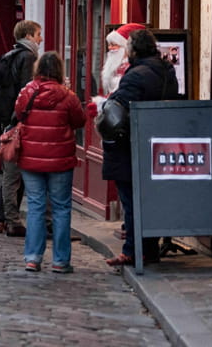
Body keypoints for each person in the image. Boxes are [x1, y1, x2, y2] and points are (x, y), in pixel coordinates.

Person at [97, 28, 177, 267]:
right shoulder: (167, 70)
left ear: (134, 49)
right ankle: (149, 248)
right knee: (151, 198)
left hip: (131, 144)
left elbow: (118, 109)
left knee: (131, 200)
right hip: (159, 141)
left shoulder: (135, 75)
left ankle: (133, 250)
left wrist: (102, 106)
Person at [15, 52, 86, 273]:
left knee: (35, 206)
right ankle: (60, 261)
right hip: (60, 159)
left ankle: (33, 258)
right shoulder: (68, 96)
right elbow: (79, 121)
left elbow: (18, 114)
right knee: (61, 208)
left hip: (31, 158)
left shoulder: (27, 92)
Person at [0, 19, 41, 237]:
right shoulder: (28, 57)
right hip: (18, 122)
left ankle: (3, 219)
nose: (41, 38)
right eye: (38, 34)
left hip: (6, 121)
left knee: (10, 172)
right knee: (15, 174)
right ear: (28, 36)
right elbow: (26, 92)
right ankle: (12, 220)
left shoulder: (8, 55)